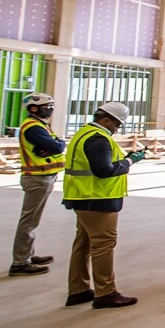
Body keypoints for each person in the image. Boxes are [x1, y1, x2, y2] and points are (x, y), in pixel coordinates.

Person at [63, 101, 143, 308]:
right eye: (116, 124)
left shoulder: (84, 133)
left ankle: (78, 290)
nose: (117, 128)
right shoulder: (98, 139)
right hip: (98, 199)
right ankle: (105, 292)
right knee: (103, 246)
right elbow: (104, 170)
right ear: (105, 119)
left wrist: (123, 160)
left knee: (83, 245)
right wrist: (130, 161)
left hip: (82, 196)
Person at [10, 93, 65, 277]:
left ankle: (27, 255)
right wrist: (58, 144)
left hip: (43, 177)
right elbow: (57, 147)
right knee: (29, 221)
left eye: (51, 106)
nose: (50, 110)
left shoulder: (40, 126)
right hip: (37, 178)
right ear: (34, 108)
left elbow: (56, 144)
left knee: (31, 220)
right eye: (46, 106)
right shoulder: (34, 128)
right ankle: (20, 263)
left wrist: (57, 143)